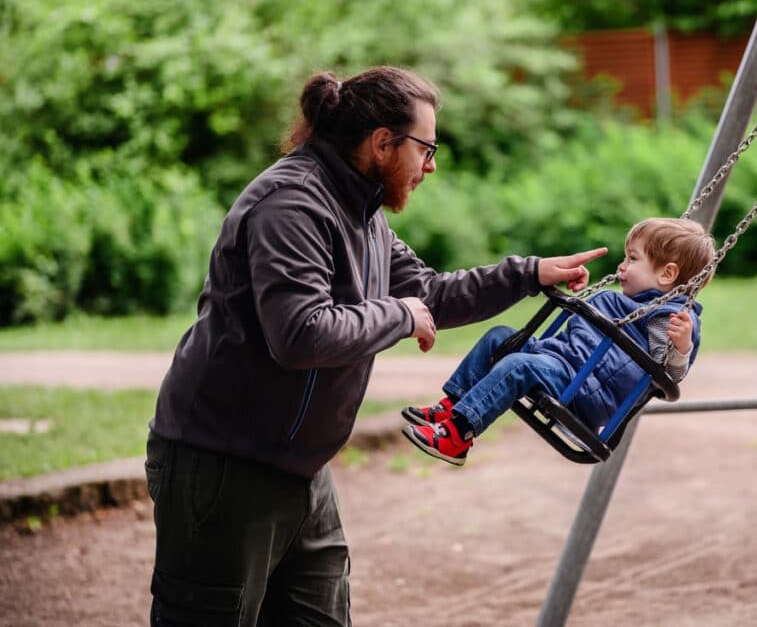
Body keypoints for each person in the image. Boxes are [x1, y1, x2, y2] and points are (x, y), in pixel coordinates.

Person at [144, 66, 607, 626]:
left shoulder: (363, 214)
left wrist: (530, 274)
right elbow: (300, 333)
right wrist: (400, 314)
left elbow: (430, 292)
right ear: (382, 143)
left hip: (302, 471)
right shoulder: (291, 204)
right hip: (223, 466)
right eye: (426, 148)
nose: (431, 166)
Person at [402, 217, 715, 466]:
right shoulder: (629, 302)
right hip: (562, 364)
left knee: (518, 365)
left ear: (667, 274)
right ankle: (452, 407)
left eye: (632, 258)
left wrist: (681, 348)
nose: (621, 266)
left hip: (586, 389)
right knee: (500, 337)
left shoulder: (670, 318)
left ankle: (458, 435)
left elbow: (668, 373)